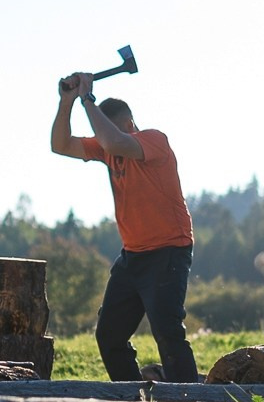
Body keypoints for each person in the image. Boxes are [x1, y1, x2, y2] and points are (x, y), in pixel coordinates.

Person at [50, 71, 198, 382]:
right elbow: (60, 145)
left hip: (169, 250)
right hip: (133, 256)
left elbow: (113, 140)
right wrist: (67, 103)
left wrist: (86, 99)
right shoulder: (107, 148)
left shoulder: (154, 141)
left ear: (130, 125)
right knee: (109, 336)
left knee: (168, 333)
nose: (105, 141)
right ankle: (133, 400)